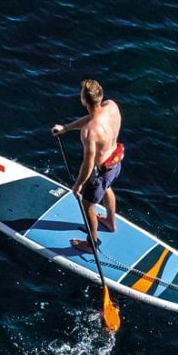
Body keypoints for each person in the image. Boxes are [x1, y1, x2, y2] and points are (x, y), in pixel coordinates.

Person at [51, 79, 123, 254]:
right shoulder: (111, 106)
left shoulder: (89, 132)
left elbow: (88, 163)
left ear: (84, 100)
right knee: (108, 188)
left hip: (101, 172)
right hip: (116, 162)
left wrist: (78, 185)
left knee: (88, 205)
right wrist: (66, 128)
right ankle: (110, 223)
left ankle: (92, 245)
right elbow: (92, 117)